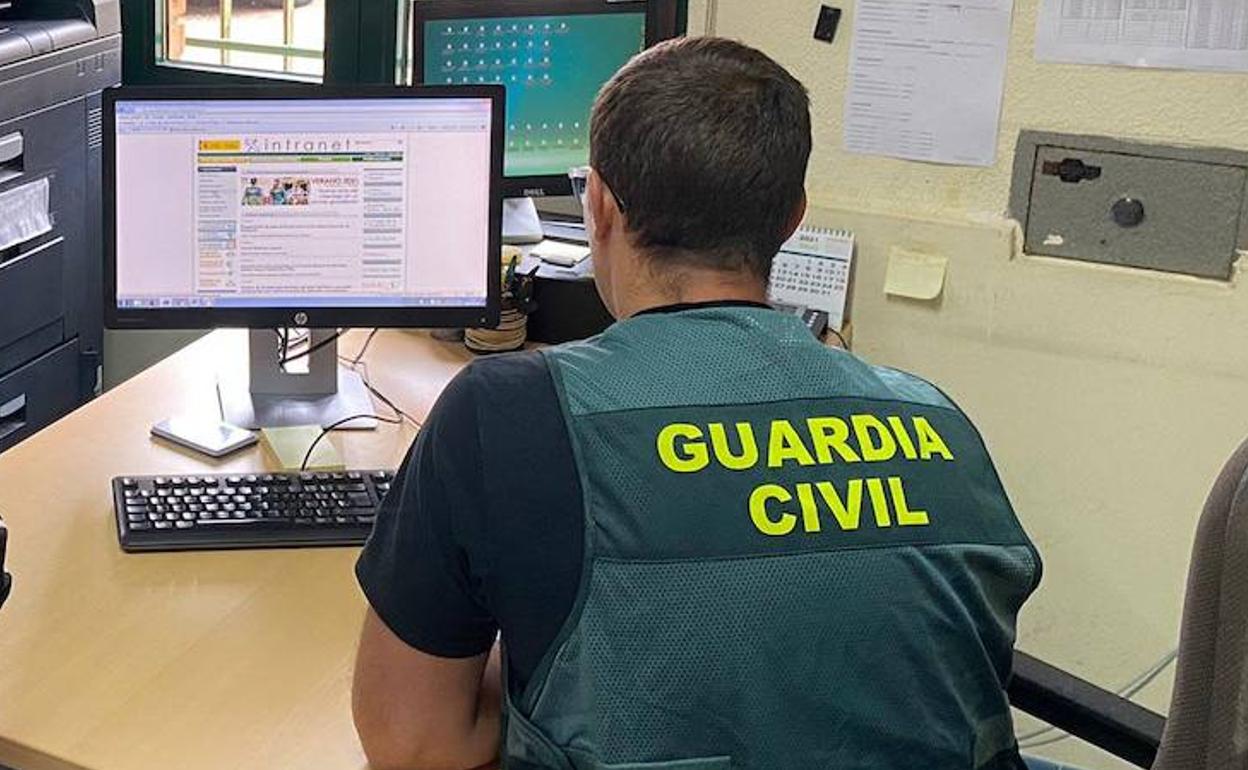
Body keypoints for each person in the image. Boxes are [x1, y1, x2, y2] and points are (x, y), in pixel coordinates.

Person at [352, 37, 1041, 770]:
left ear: (600, 206)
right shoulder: (938, 422)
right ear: (792, 219)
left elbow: (415, 745)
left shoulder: (504, 416)